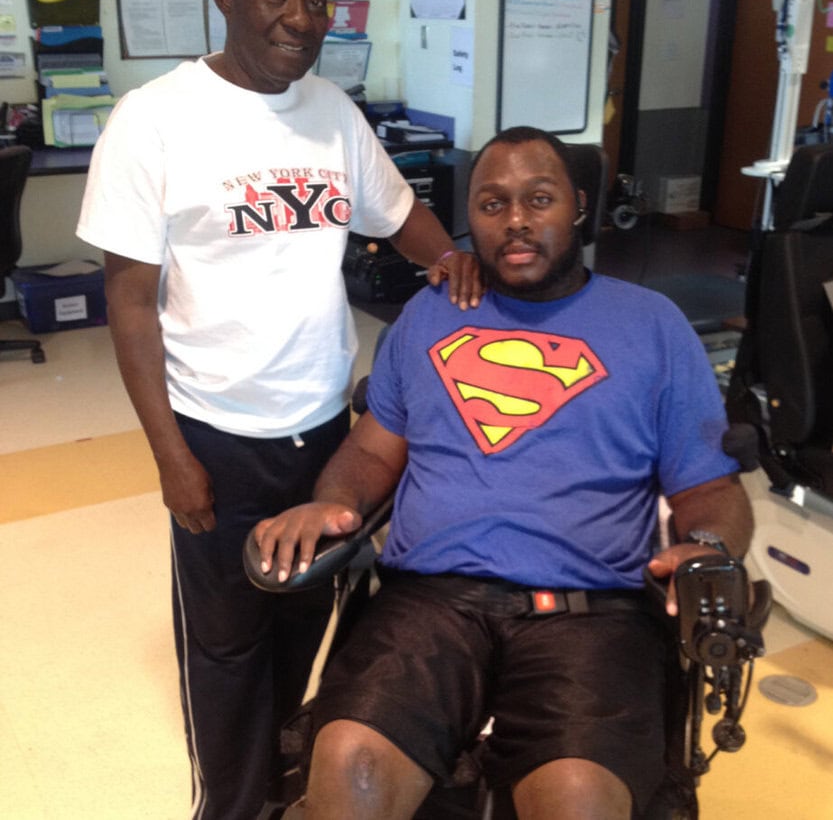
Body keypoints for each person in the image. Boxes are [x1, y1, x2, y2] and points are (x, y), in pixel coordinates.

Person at [76, 0, 480, 820]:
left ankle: (278, 781)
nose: (299, 17)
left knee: (303, 622)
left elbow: (397, 212)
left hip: (327, 437)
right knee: (224, 650)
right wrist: (170, 456)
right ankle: (231, 805)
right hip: (216, 438)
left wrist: (455, 263)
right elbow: (130, 304)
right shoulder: (155, 121)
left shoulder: (332, 113)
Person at [253, 126, 755, 820]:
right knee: (348, 767)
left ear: (576, 206)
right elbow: (371, 452)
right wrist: (330, 503)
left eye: (537, 199)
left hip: (589, 611)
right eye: (492, 204)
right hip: (429, 600)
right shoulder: (432, 315)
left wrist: (707, 549)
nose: (515, 220)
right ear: (470, 221)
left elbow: (708, 487)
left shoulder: (650, 325)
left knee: (578, 801)